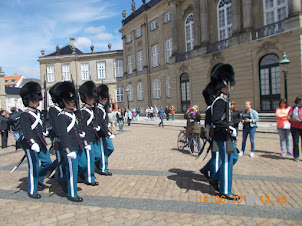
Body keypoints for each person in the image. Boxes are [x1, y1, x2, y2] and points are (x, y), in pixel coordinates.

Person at [209, 64, 238, 200]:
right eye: (229, 85)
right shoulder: (220, 101)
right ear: (224, 85)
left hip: (226, 135)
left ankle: (215, 177)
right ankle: (225, 190)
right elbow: (216, 120)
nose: (231, 87)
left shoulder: (222, 100)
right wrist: (228, 128)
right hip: (223, 135)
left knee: (234, 158)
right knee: (227, 160)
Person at [56, 81, 88, 202]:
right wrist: (68, 149)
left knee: (83, 165)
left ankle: (64, 179)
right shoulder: (62, 116)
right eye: (71, 101)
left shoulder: (73, 114)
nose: (74, 102)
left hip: (78, 145)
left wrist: (82, 138)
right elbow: (63, 135)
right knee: (72, 170)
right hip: (70, 147)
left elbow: (77, 129)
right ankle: (72, 193)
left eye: (74, 100)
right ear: (64, 102)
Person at [19, 82, 52, 199]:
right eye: (36, 100)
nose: (38, 102)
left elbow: (40, 127)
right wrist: (32, 142)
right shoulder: (25, 115)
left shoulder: (38, 113)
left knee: (47, 162)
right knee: (33, 165)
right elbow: (26, 130)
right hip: (30, 144)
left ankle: (38, 179)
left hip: (41, 142)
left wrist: (45, 132)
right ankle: (32, 190)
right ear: (29, 100)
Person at [79, 81, 100, 186]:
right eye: (90, 98)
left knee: (95, 156)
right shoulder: (83, 111)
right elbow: (83, 127)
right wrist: (85, 141)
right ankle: (89, 178)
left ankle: (88, 174)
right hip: (87, 139)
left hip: (93, 137)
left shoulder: (91, 110)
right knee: (89, 159)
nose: (93, 100)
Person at [95, 84, 114, 176]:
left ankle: (101, 163)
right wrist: (107, 132)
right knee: (103, 151)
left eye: (106, 99)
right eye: (104, 99)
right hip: (101, 133)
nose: (105, 101)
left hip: (105, 132)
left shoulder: (102, 108)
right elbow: (100, 123)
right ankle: (103, 168)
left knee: (110, 148)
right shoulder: (98, 109)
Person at [287, 95, 302, 162]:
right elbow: (288, 116)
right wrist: (294, 120)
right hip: (295, 127)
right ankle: (296, 156)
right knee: (295, 142)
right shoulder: (293, 108)